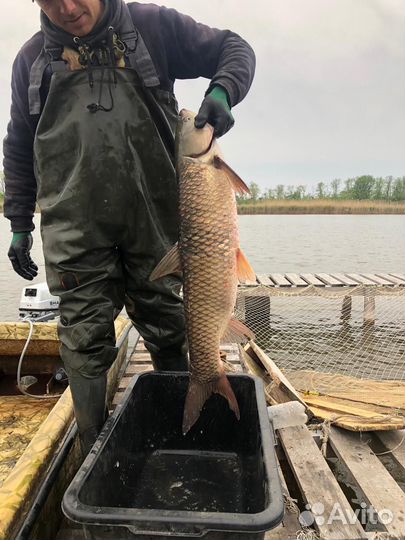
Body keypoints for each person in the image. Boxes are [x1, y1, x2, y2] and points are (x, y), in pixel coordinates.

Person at [3, 0, 255, 455]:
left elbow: (233, 49)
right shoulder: (32, 60)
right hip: (75, 231)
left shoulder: (152, 28)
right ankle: (93, 454)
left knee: (173, 327)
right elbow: (20, 144)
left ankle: (185, 440)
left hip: (156, 228)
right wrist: (19, 221)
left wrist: (223, 90)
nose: (66, 7)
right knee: (81, 339)